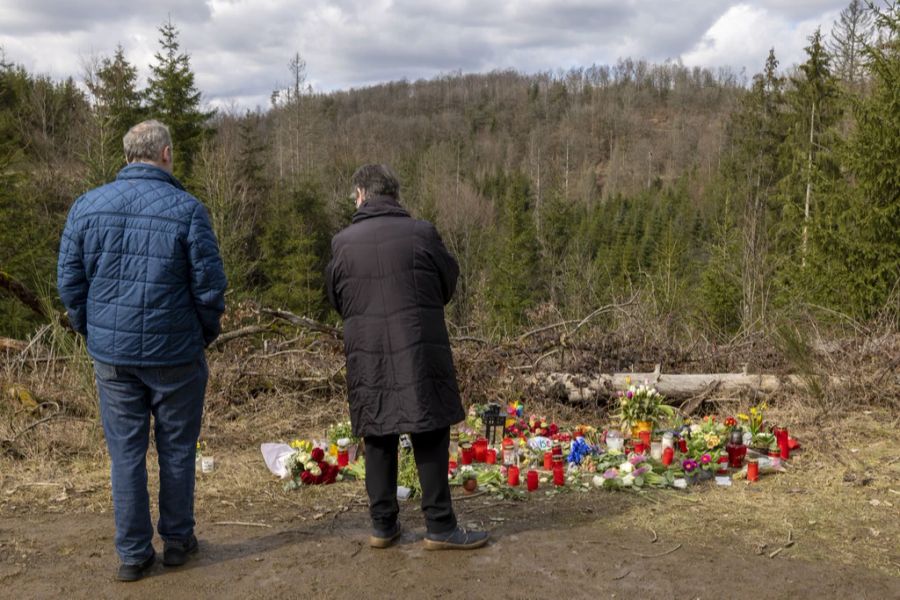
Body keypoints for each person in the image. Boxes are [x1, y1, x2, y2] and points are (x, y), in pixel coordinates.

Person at [57, 120, 227, 581]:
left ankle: (133, 555)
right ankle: (176, 542)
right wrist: (202, 334)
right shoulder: (188, 210)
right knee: (177, 450)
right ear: (166, 154)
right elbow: (210, 288)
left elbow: (69, 283)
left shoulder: (87, 207)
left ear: (129, 155)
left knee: (126, 454)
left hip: (114, 356)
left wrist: (92, 331)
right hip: (176, 354)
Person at [325, 164, 488, 550]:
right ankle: (440, 527)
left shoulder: (343, 243)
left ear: (362, 194)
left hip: (368, 353)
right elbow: (448, 281)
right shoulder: (422, 233)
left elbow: (336, 297)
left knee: (377, 434)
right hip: (419, 346)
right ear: (394, 196)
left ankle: (383, 527)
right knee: (429, 431)